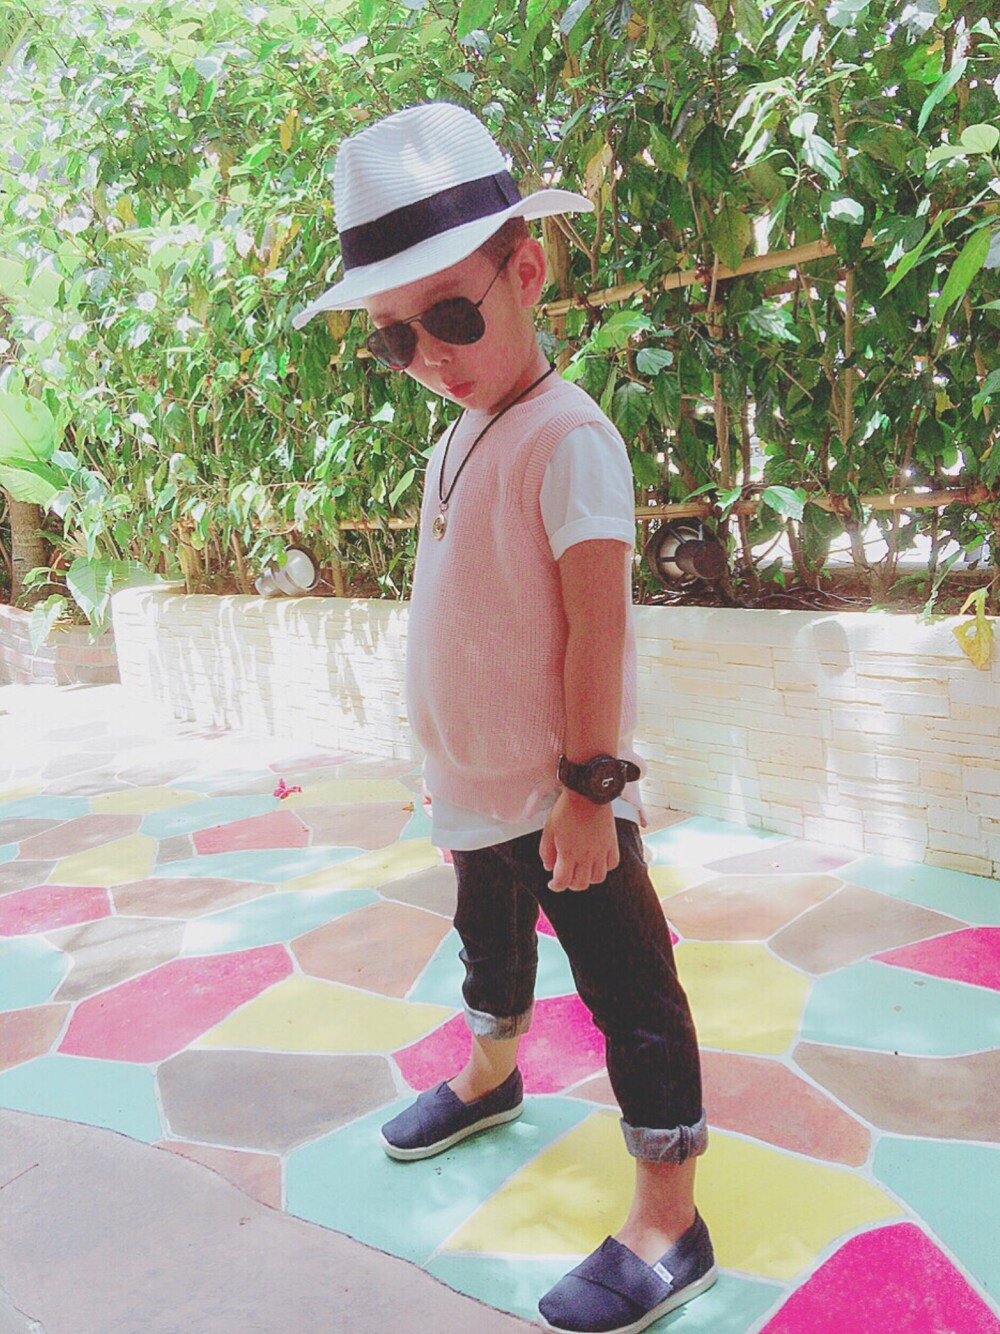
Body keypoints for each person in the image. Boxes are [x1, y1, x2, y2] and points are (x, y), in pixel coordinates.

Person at [292, 101, 716, 1334]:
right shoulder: (463, 432)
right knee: (489, 942)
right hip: (474, 785)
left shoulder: (567, 438)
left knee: (630, 989)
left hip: (558, 791)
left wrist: (589, 787)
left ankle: (669, 1215)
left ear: (525, 273)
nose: (430, 353)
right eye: (395, 337)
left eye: (453, 316)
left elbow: (596, 629)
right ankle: (489, 1072)